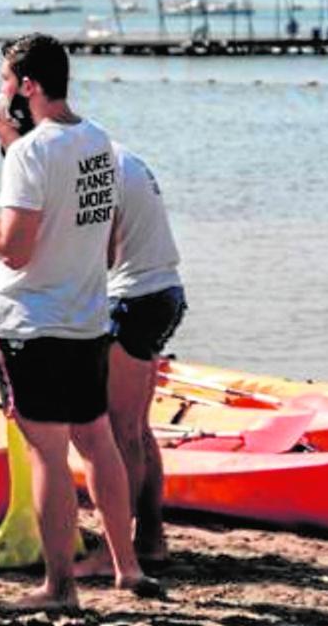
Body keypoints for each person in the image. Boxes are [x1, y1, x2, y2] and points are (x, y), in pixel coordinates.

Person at [0, 34, 160, 611]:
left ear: (29, 85)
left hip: (32, 323)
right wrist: (7, 140)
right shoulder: (99, 142)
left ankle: (59, 587)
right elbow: (109, 239)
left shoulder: (30, 154)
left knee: (48, 453)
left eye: (4, 81)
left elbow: (11, 249)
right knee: (98, 444)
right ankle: (128, 567)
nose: (0, 91)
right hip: (87, 318)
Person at [100, 143, 187, 564]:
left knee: (120, 433)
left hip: (134, 299)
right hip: (164, 292)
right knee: (136, 427)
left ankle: (118, 553)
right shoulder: (120, 155)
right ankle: (151, 538)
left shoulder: (91, 164)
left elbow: (105, 251)